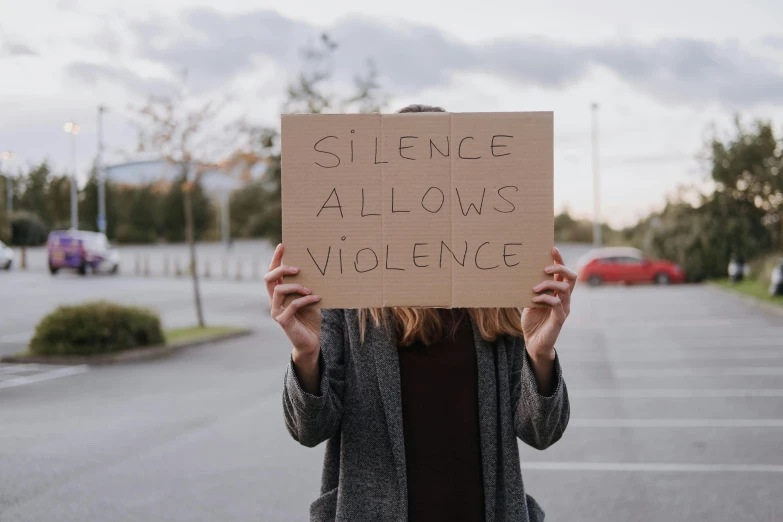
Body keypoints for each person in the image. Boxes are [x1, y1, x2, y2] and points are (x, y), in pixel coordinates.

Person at [267, 104, 574, 522]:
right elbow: (308, 430)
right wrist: (305, 358)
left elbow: (541, 433)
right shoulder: (348, 299)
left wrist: (541, 356)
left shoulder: (498, 295)